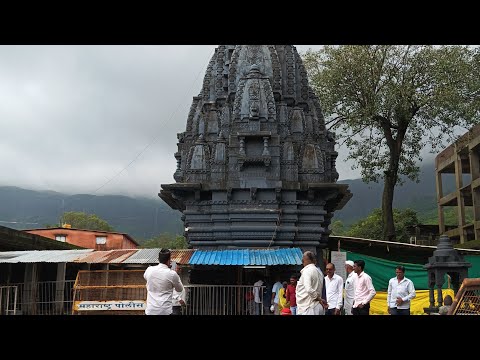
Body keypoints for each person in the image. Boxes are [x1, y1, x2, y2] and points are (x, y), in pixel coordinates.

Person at [143, 248, 184, 315]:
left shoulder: (149, 270)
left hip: (150, 310)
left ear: (158, 259)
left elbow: (145, 277)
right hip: (165, 311)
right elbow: (179, 289)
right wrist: (175, 275)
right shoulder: (172, 274)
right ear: (169, 261)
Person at [296, 251, 325, 315]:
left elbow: (308, 289)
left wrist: (318, 298)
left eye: (303, 259)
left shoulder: (307, 270)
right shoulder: (319, 272)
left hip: (309, 307)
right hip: (316, 306)